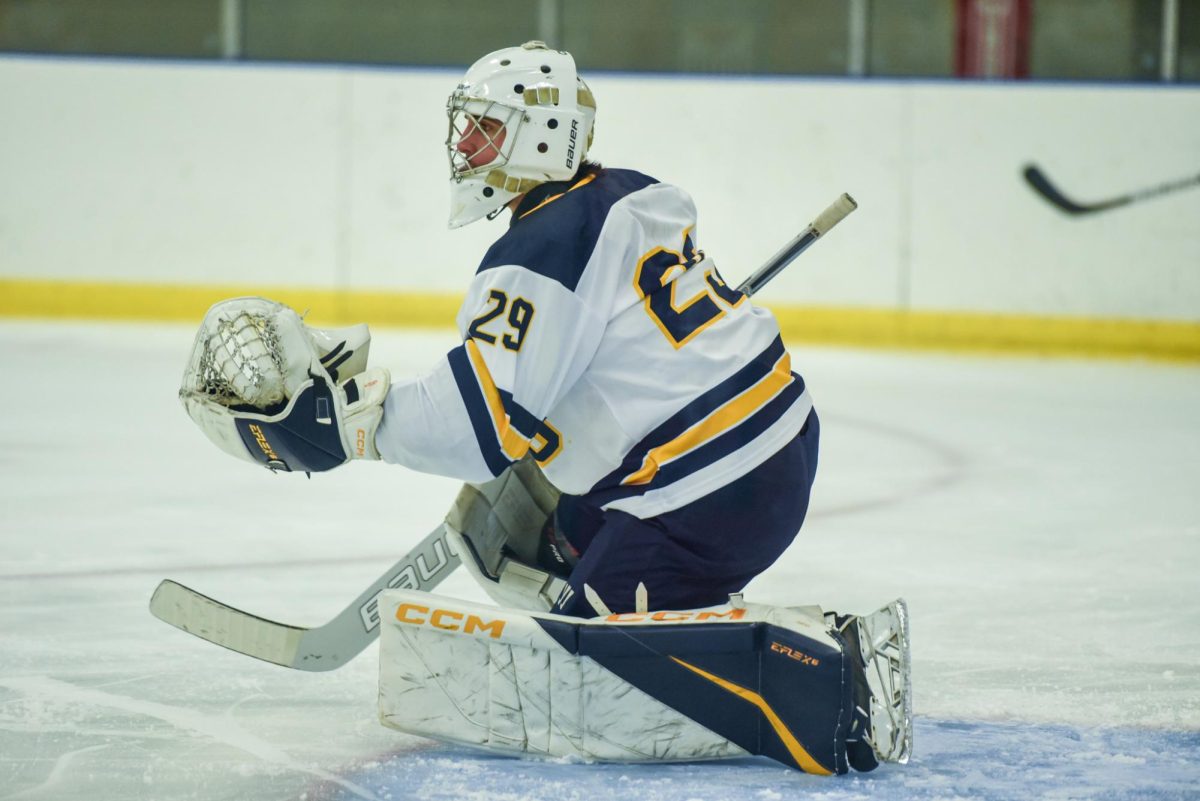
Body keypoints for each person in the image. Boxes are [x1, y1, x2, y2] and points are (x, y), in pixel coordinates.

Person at [368, 41, 820, 618]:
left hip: (706, 495)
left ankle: (749, 663)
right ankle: (669, 594)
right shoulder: (632, 190)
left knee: (576, 666)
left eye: (484, 127)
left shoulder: (543, 247)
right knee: (572, 526)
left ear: (541, 134)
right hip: (787, 445)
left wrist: (362, 425)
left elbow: (476, 429)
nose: (463, 144)